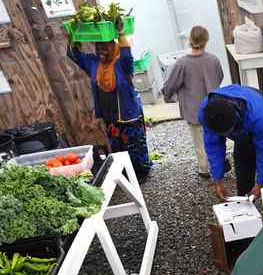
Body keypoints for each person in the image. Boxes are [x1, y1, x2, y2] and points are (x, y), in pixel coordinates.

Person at [67, 19, 152, 181]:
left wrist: (121, 33)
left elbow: (127, 53)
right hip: (110, 116)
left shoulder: (122, 63)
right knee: (118, 146)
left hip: (129, 114)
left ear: (113, 47)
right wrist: (73, 34)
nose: (101, 51)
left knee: (135, 145)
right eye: (98, 47)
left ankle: (141, 173)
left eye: (104, 47)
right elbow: (73, 54)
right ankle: (125, 174)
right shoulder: (93, 63)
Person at [198, 84, 263, 202]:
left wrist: (261, 183)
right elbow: (213, 146)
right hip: (241, 131)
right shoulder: (206, 114)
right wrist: (217, 180)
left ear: (234, 120)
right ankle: (245, 212)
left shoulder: (258, 117)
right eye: (222, 134)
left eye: (227, 133)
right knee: (243, 174)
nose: (225, 137)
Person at [161, 26, 224, 179]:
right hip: (213, 107)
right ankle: (219, 165)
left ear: (190, 40)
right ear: (206, 40)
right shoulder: (213, 59)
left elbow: (172, 84)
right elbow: (220, 77)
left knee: (199, 140)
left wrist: (166, 94)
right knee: (216, 137)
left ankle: (204, 169)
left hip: (194, 109)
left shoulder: (182, 63)